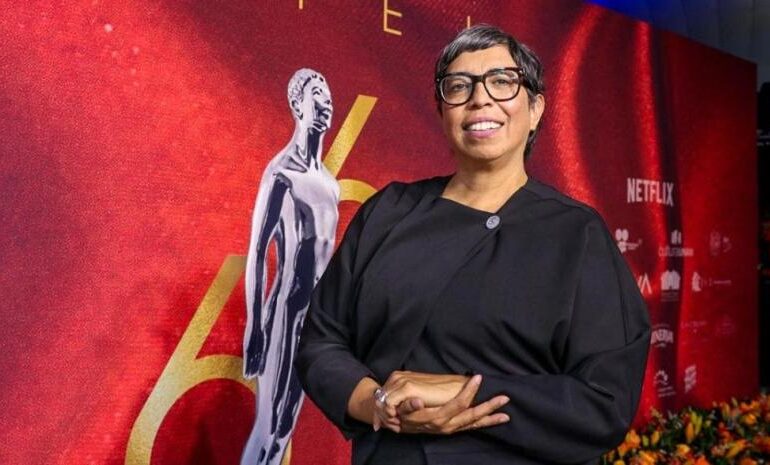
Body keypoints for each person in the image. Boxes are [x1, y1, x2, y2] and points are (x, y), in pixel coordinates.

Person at [296, 25, 651, 465]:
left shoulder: (577, 234)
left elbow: (604, 402)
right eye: (459, 86)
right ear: (442, 111)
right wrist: (379, 406)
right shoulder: (389, 212)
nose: (480, 99)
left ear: (535, 109)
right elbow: (321, 342)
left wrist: (464, 391)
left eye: (502, 82)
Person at [242, 68, 339, 465]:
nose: (326, 104)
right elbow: (257, 252)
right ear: (298, 104)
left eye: (328, 96)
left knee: (285, 429)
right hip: (284, 313)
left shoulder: (330, 184)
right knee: (267, 428)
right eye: (317, 95)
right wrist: (255, 327)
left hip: (315, 322)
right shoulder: (282, 174)